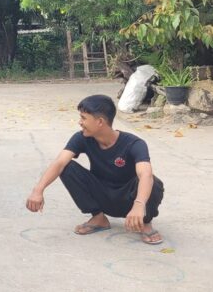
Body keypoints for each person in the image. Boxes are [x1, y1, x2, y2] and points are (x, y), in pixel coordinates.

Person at [25, 94, 165, 244]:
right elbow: (59, 162)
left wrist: (139, 205)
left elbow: (145, 174)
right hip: (102, 195)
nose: (80, 122)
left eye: (84, 118)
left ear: (100, 122)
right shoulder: (82, 138)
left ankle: (145, 222)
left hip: (130, 201)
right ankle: (99, 219)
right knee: (67, 167)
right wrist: (38, 190)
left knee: (153, 181)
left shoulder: (134, 143)